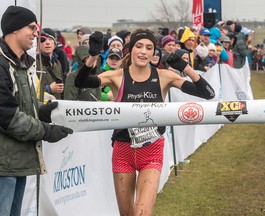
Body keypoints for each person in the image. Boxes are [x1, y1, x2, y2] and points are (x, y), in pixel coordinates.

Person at [74, 29, 215, 215]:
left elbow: (208, 93)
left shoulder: (164, 76)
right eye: (139, 46)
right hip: (123, 150)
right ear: (130, 50)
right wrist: (93, 56)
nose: (143, 52)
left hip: (151, 151)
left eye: (149, 48)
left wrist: (184, 67)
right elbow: (81, 82)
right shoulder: (117, 76)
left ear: (153, 52)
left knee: (142, 213)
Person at [0, 6, 73, 216]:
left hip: (17, 162)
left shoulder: (21, 64)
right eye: (32, 27)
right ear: (13, 30)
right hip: (4, 166)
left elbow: (19, 105)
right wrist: (46, 131)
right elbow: (7, 116)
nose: (36, 33)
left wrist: (42, 111)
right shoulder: (2, 64)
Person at [37, 29, 64, 99]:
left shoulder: (57, 63)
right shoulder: (33, 63)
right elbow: (31, 89)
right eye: (43, 40)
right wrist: (49, 89)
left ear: (55, 44)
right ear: (38, 44)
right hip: (41, 106)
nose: (47, 43)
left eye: (50, 39)